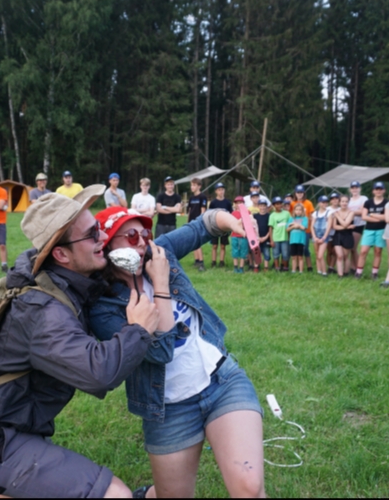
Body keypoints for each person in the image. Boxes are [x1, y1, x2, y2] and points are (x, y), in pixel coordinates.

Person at [0, 186, 160, 499]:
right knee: (115, 495)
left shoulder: (63, 279)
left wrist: (210, 224)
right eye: (92, 235)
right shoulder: (43, 311)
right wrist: (138, 330)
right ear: (61, 254)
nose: (103, 238)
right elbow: (98, 372)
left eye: (99, 228)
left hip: (10, 429)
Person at [89, 206, 266, 499]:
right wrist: (160, 284)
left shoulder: (160, 252)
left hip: (221, 381)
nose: (142, 242)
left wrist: (235, 223)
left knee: (250, 488)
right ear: (107, 245)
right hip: (168, 407)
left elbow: (204, 224)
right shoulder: (103, 306)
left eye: (145, 233)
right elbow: (161, 351)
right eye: (131, 235)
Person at [355, 182, 388, 280]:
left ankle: (374, 273)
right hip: (369, 229)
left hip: (381, 229)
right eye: (376, 189)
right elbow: (364, 216)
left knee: (378, 252)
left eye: (380, 189)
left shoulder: (387, 203)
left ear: (384, 190)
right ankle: (358, 273)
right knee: (363, 251)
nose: (378, 191)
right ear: (373, 191)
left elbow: (387, 217)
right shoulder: (368, 202)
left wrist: (372, 215)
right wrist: (378, 219)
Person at [291, 185, 315, 272]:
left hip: (306, 230)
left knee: (305, 248)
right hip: (295, 230)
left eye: (301, 192)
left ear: (304, 193)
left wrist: (311, 228)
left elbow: (312, 216)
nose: (299, 194)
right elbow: (291, 215)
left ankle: (309, 266)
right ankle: (297, 266)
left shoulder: (308, 203)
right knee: (296, 249)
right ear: (295, 193)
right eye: (298, 192)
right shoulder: (292, 203)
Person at [208, 182, 232, 268]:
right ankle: (213, 261)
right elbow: (209, 214)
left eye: (222, 189)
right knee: (214, 245)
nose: (221, 191)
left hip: (224, 227)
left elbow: (230, 214)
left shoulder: (227, 202)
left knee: (222, 246)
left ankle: (222, 262)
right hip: (215, 227)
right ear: (216, 191)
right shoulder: (213, 203)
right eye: (219, 190)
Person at [332, 195, 356, 278]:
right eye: (342, 201)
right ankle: (340, 275)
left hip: (347, 236)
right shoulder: (336, 212)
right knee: (339, 256)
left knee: (345, 256)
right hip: (337, 235)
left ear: (348, 202)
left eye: (346, 201)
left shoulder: (351, 213)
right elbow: (335, 226)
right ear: (339, 202)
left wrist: (338, 216)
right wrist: (347, 227)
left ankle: (346, 272)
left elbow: (345, 224)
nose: (344, 203)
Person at [187, 178, 208, 271]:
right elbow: (189, 211)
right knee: (193, 242)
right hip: (191, 222)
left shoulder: (202, 197)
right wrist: (188, 222)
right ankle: (196, 260)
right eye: (191, 185)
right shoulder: (191, 198)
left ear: (199, 186)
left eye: (194, 185)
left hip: (198, 222)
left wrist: (200, 222)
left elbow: (203, 211)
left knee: (198, 243)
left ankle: (201, 262)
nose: (192, 187)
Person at [348, 181, 368, 273]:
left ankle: (358, 268)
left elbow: (363, 212)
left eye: (356, 187)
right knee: (350, 248)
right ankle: (353, 267)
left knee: (353, 247)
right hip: (348, 224)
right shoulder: (348, 199)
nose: (355, 189)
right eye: (353, 188)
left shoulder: (363, 199)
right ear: (350, 189)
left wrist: (350, 212)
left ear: (360, 189)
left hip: (359, 224)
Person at [311, 195, 333, 276]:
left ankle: (324, 272)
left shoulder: (329, 213)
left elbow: (329, 226)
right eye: (323, 202)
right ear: (319, 203)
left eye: (326, 202)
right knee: (317, 254)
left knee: (320, 255)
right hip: (316, 236)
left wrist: (324, 238)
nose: (325, 204)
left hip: (324, 236)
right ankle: (319, 270)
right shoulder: (315, 213)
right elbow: (312, 226)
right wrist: (314, 237)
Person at [269, 197, 292, 272]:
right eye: (277, 204)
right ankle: (277, 268)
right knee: (276, 254)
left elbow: (290, 225)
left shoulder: (287, 213)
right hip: (276, 238)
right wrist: (271, 240)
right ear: (274, 205)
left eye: (280, 203)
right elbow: (270, 228)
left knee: (285, 254)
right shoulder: (272, 215)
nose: (279, 205)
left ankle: (285, 267)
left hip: (285, 238)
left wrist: (290, 237)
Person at [288, 203, 309, 273]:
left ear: (302, 211)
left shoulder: (305, 218)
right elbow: (287, 229)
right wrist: (295, 226)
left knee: (300, 256)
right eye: (296, 210)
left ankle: (301, 271)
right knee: (293, 256)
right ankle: (293, 270)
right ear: (294, 210)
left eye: (300, 210)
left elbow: (304, 228)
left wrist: (294, 225)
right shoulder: (291, 218)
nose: (298, 211)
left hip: (301, 240)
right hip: (293, 240)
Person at [230, 196, 248, 274]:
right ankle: (235, 267)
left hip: (243, 235)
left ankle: (241, 267)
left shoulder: (247, 212)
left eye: (241, 203)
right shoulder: (233, 213)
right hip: (234, 235)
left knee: (243, 251)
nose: (239, 204)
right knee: (235, 251)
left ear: (243, 203)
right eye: (237, 203)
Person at [255, 197, 272, 272]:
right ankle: (256, 266)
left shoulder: (269, 216)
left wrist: (266, 237)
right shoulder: (255, 216)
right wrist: (258, 237)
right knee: (257, 253)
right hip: (257, 238)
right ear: (258, 206)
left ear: (266, 206)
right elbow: (253, 227)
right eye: (261, 205)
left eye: (264, 205)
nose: (262, 207)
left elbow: (270, 228)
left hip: (266, 237)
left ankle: (266, 267)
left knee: (266, 253)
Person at [326, 192, 340, 274]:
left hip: (337, 232)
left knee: (335, 251)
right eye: (333, 199)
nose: (335, 200)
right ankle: (329, 267)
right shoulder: (327, 209)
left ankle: (331, 267)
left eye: (336, 198)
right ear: (330, 201)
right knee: (329, 251)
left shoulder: (340, 209)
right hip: (328, 232)